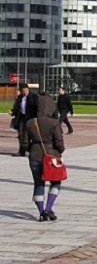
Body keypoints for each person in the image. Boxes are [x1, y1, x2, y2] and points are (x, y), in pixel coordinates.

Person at [21, 93, 64, 222]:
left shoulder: (30, 123)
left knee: (38, 183)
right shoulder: (54, 123)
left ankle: (41, 212)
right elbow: (59, 143)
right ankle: (49, 208)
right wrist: (60, 151)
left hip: (35, 156)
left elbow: (24, 143)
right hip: (51, 156)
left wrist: (32, 149)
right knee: (56, 182)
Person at [9, 83, 39, 157]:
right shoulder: (20, 97)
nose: (24, 92)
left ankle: (32, 150)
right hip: (22, 118)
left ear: (28, 89)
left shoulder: (34, 97)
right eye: (23, 91)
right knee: (21, 135)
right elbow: (17, 107)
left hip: (31, 118)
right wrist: (12, 112)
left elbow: (37, 108)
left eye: (25, 90)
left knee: (31, 135)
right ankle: (21, 151)